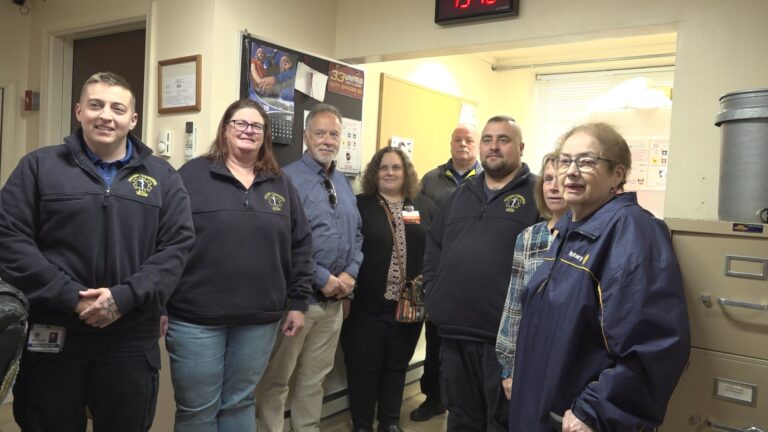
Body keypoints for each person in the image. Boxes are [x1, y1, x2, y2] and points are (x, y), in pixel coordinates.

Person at [0, 72, 195, 432]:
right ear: (79, 111)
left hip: (130, 335)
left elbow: (177, 246)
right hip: (54, 331)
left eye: (117, 108)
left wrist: (123, 298)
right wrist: (70, 296)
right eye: (95, 105)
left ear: (132, 119)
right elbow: (9, 239)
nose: (106, 115)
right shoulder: (39, 167)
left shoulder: (163, 177)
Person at [509, 123, 690, 432]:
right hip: (541, 408)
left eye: (587, 161)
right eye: (564, 160)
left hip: (578, 420)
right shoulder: (571, 230)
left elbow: (653, 344)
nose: (571, 172)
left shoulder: (632, 232)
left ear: (617, 174)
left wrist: (595, 411)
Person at [164, 99, 314, 431]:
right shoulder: (191, 175)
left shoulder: (280, 183)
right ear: (225, 129)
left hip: (258, 320)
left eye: (256, 126)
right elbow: (164, 242)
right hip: (195, 319)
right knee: (197, 410)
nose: (248, 131)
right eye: (240, 124)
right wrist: (157, 303)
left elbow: (301, 244)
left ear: (264, 136)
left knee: (240, 403)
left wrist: (298, 302)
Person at [423, 115, 539, 431]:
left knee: (501, 421)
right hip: (455, 331)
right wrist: (433, 294)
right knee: (461, 417)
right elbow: (434, 246)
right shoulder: (461, 195)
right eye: (488, 139)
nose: (493, 146)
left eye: (503, 139)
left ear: (521, 147)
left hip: (504, 340)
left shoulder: (538, 193)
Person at [255, 103, 364, 432]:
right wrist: (322, 277)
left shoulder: (344, 183)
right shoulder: (285, 179)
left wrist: (349, 275)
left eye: (334, 134)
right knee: (276, 382)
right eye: (320, 133)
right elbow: (282, 240)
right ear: (305, 137)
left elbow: (357, 234)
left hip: (333, 307)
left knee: (314, 380)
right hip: (299, 303)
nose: (328, 140)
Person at [341, 147, 438, 432]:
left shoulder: (424, 206)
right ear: (375, 172)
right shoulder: (360, 205)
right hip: (365, 306)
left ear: (406, 172)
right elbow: (346, 247)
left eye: (396, 167)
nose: (390, 172)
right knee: (362, 367)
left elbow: (436, 249)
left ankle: (390, 422)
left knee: (396, 366)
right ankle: (361, 424)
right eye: (384, 167)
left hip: (408, 307)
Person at [411, 122, 482, 422]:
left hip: (476, 277)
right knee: (436, 339)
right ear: (450, 144)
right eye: (457, 139)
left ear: (476, 145)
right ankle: (434, 398)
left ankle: (471, 404)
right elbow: (418, 218)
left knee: (472, 343)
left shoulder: (489, 179)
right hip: (439, 274)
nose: (462, 144)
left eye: (469, 140)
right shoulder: (431, 179)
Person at [495, 152, 566, 402]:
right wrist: (509, 369)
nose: (554, 187)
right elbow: (514, 304)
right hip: (530, 353)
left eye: (561, 179)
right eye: (548, 179)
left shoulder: (588, 237)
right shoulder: (529, 237)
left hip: (567, 359)